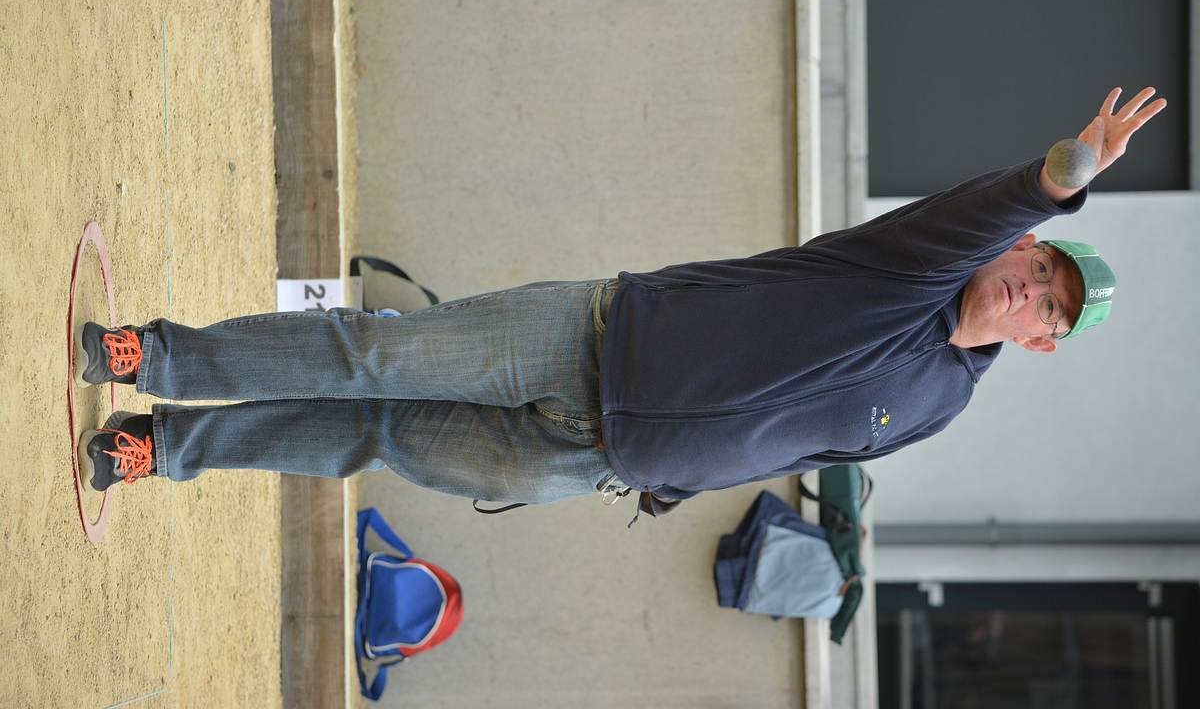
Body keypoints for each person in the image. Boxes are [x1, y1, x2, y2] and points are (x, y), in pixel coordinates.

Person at [77, 86, 1167, 519]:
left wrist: (671, 484)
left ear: (1041, 343)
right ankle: (155, 357)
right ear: (1024, 249)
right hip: (588, 338)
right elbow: (979, 212)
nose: (1032, 293)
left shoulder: (943, 401)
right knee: (374, 355)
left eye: (1050, 310)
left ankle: (162, 448)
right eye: (1042, 270)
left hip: (593, 458)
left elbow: (800, 439)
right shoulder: (915, 268)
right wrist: (1063, 174)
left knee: (375, 438)